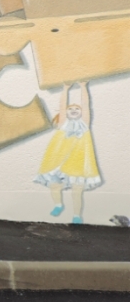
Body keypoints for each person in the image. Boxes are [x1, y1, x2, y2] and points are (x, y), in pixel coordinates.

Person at [34, 82, 99, 224]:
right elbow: (62, 105)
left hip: (77, 164)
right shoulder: (63, 123)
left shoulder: (84, 124)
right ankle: (58, 204)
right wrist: (65, 89)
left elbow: (86, 104)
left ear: (81, 112)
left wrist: (83, 87)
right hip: (59, 162)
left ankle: (76, 215)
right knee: (54, 185)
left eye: (77, 108)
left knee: (77, 190)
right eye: (71, 108)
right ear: (66, 112)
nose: (74, 110)